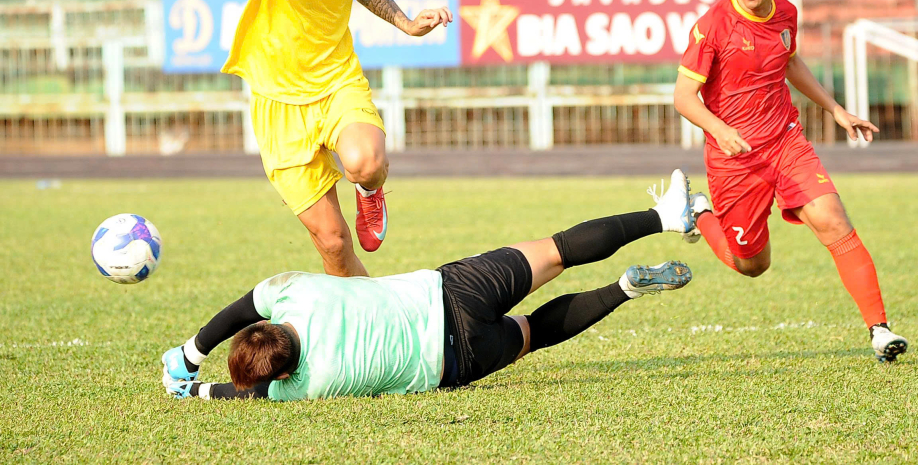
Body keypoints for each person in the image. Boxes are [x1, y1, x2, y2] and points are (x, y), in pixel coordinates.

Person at [160, 171, 698, 400]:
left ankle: (623, 289)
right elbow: (243, 306)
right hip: (450, 292)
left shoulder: (308, 386)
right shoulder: (293, 294)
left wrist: (198, 392)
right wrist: (191, 352)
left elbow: (250, 393)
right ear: (271, 326)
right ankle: (665, 216)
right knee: (557, 249)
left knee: (534, 332)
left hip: (454, 360)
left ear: (281, 373)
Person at [673, 0, 908, 363]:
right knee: (752, 265)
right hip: (735, 160)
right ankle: (700, 214)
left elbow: (790, 61)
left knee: (832, 219)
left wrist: (835, 109)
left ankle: (880, 329)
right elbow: (683, 97)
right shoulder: (713, 25)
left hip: (785, 142)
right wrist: (721, 130)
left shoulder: (786, 14)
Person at [222, 0, 453, 277]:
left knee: (366, 163)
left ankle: (369, 192)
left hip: (337, 83)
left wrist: (406, 24)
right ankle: (361, 314)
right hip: (278, 103)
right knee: (333, 243)